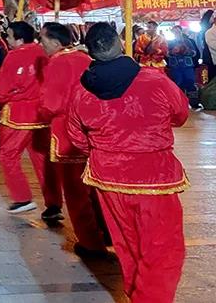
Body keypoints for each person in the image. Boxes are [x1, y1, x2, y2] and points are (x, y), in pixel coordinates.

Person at [68, 23, 189, 302]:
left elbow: (76, 137)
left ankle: (137, 295)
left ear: (90, 52)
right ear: (121, 43)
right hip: (153, 176)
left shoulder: (81, 90)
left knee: (128, 245)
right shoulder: (155, 81)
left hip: (107, 176)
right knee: (163, 250)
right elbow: (181, 115)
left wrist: (106, 150)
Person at [37, 22, 108, 256]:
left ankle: (90, 241)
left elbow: (51, 104)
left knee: (75, 190)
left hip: (66, 132)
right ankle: (106, 231)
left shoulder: (57, 63)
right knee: (95, 186)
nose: (41, 45)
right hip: (92, 130)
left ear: (56, 42)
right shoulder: (85, 59)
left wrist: (43, 112)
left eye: (43, 40)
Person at [0, 21, 58, 215]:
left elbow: (2, 88)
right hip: (41, 113)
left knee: (8, 155)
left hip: (18, 114)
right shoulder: (43, 52)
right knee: (42, 158)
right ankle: (54, 203)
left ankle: (22, 197)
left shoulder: (14, 56)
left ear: (19, 39)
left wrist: (5, 98)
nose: (7, 39)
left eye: (9, 36)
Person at [167, 25, 201, 110]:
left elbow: (195, 53)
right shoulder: (170, 42)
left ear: (181, 31)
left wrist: (186, 50)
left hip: (187, 66)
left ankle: (194, 103)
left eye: (178, 31)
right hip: (176, 66)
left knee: (190, 83)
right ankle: (180, 104)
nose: (176, 33)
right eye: (175, 31)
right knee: (178, 84)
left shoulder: (188, 41)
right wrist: (172, 52)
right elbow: (166, 54)